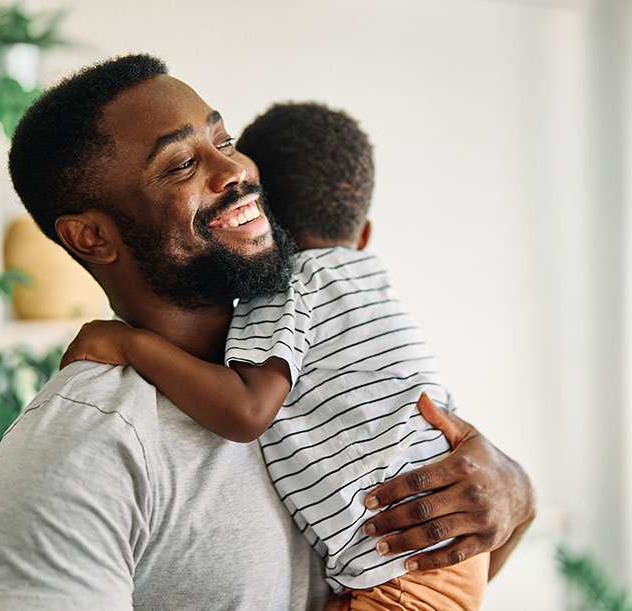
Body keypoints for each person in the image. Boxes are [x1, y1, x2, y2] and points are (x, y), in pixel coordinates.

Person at [0, 54, 535, 610]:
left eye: (224, 141)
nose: (235, 170)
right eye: (180, 165)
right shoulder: (82, 451)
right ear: (91, 237)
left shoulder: (317, 350)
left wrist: (517, 499)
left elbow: (427, 579)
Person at [60, 102, 488, 610]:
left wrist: (129, 344)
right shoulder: (371, 280)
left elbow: (245, 412)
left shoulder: (286, 290)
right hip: (455, 551)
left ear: (260, 215)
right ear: (363, 232)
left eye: (224, 145)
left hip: (398, 574)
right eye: (184, 162)